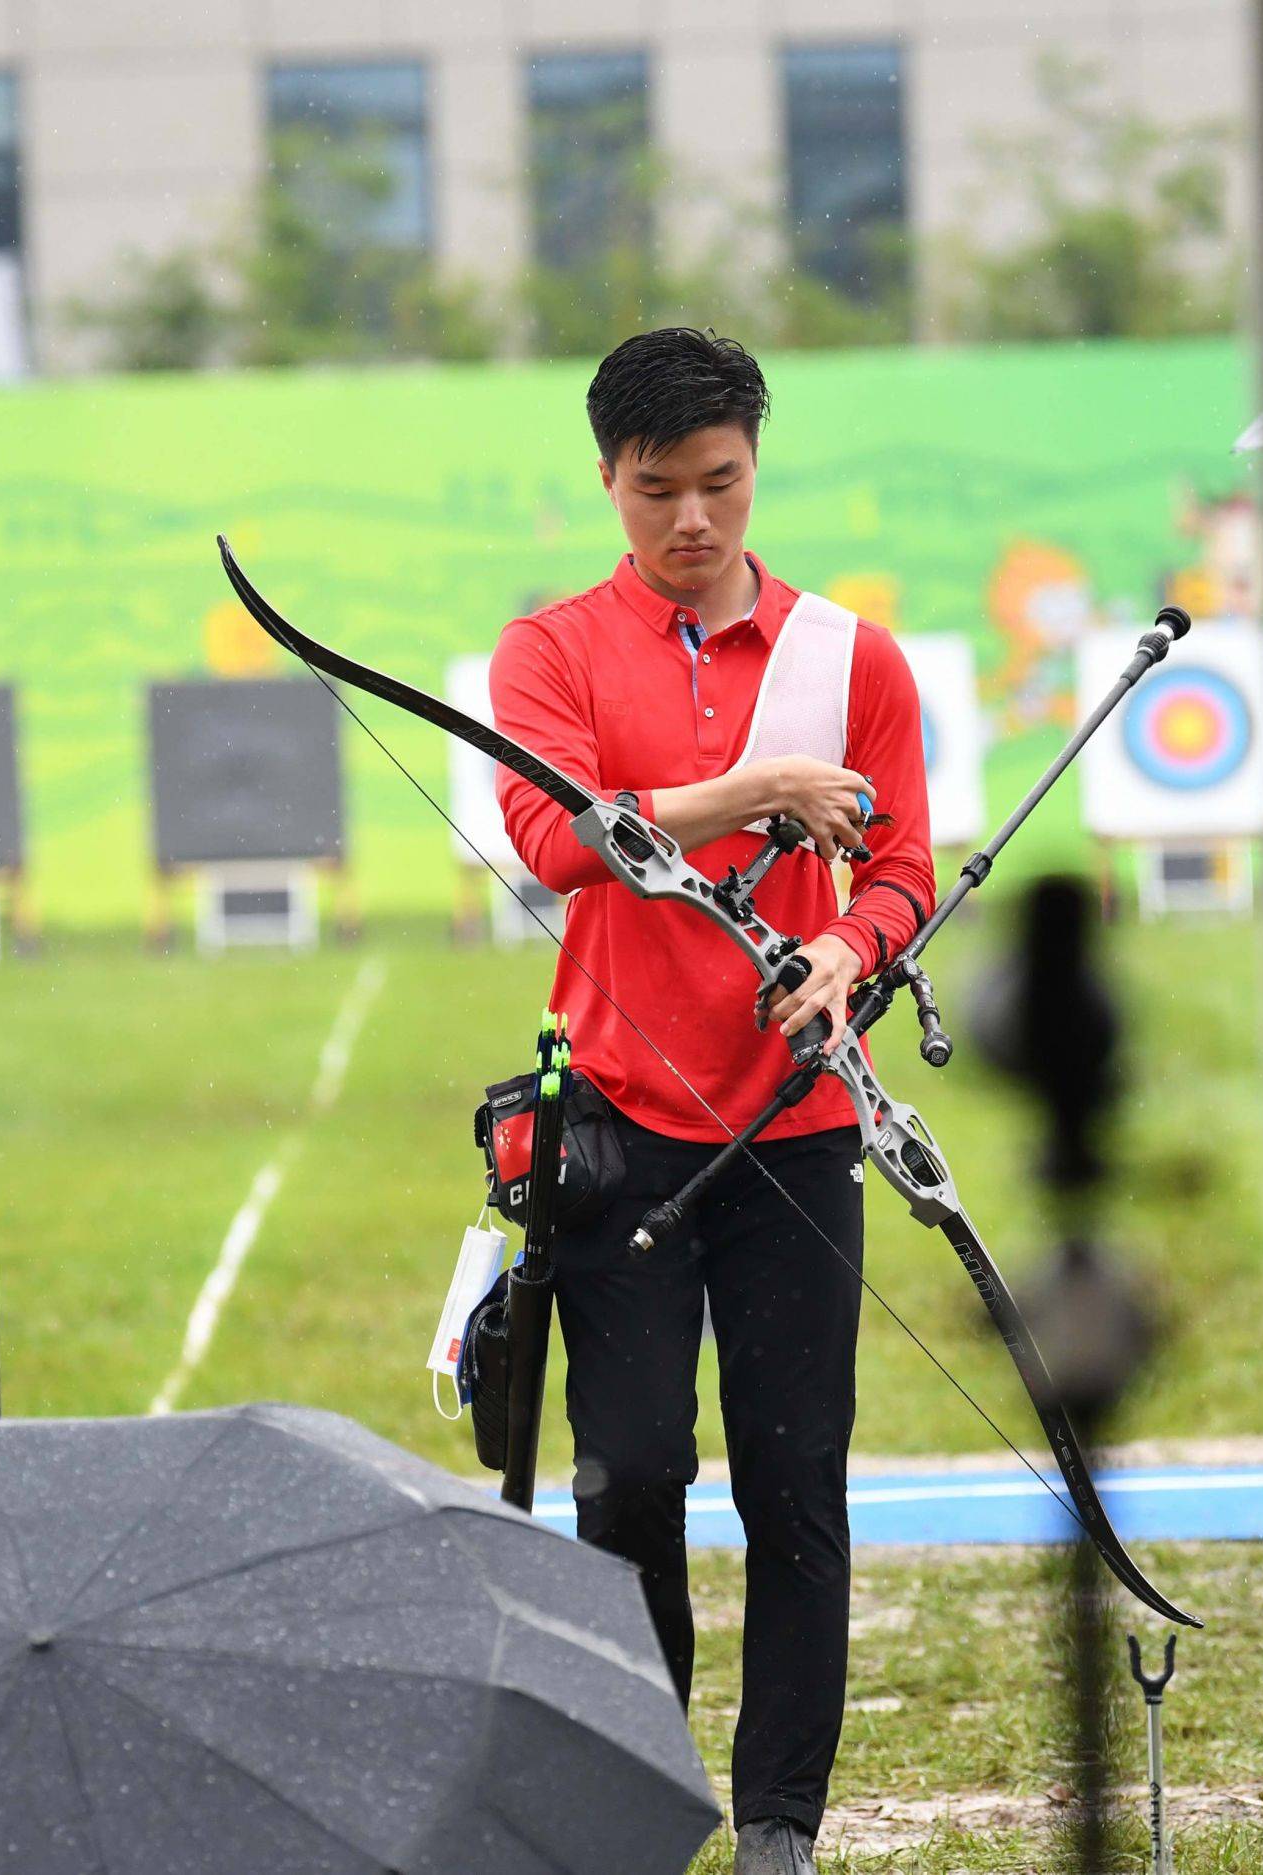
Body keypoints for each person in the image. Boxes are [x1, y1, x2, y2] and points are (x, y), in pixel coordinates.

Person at [488, 328, 934, 1875]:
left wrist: (844, 944)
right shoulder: (547, 654)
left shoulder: (849, 662)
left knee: (798, 1479)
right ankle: (646, 1792)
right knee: (631, 1480)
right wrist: (754, 793)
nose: (693, 521)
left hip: (801, 1132)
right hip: (619, 1134)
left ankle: (781, 1834)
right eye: (657, 489)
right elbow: (557, 839)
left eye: (722, 484)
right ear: (607, 479)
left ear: (756, 464)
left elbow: (900, 872)